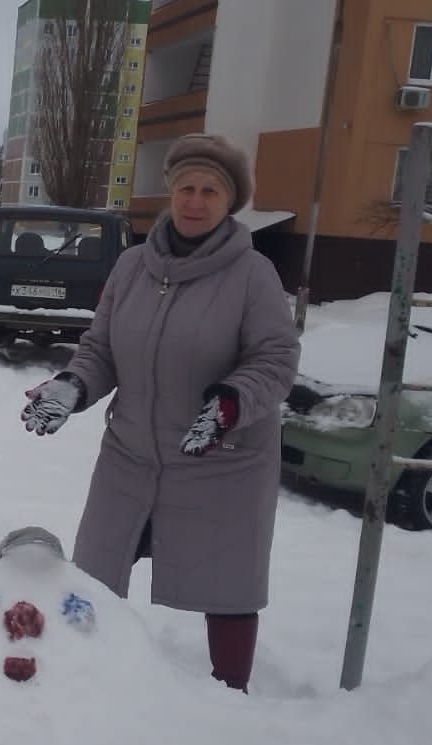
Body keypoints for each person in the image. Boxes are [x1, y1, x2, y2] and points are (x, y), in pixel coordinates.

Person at [18, 133, 300, 691]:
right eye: (186, 188)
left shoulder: (253, 275)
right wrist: (73, 385)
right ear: (171, 193)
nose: (195, 201)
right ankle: (86, 681)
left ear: (229, 202)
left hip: (221, 459)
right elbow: (102, 348)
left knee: (228, 589)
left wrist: (229, 403)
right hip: (131, 452)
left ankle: (232, 699)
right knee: (94, 576)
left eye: (211, 192)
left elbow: (275, 357)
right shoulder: (131, 267)